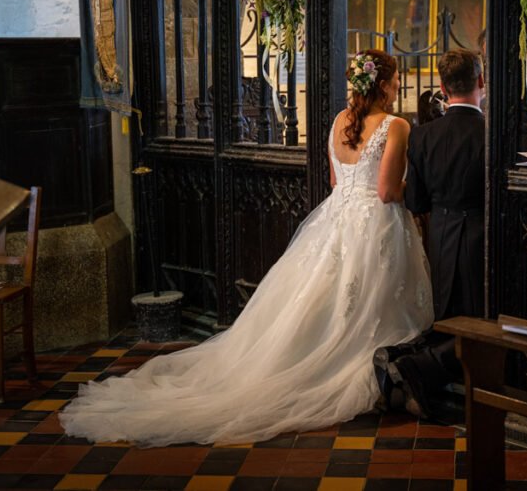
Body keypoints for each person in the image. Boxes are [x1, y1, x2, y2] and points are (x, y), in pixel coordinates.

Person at [60, 49, 432, 447]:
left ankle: (324, 358)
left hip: (336, 218)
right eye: (395, 80)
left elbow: (337, 185)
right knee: (368, 300)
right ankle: (374, 369)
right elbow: (388, 191)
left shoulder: (339, 122)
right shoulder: (396, 126)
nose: (397, 86)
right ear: (383, 83)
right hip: (376, 222)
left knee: (327, 298)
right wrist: (424, 192)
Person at [379, 48, 486, 419]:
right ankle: (421, 368)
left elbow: (416, 200)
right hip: (480, 235)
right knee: (479, 320)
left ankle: (413, 366)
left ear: (442, 86)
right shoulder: (491, 132)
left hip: (440, 233)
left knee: (447, 316)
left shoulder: (423, 136)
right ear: (481, 82)